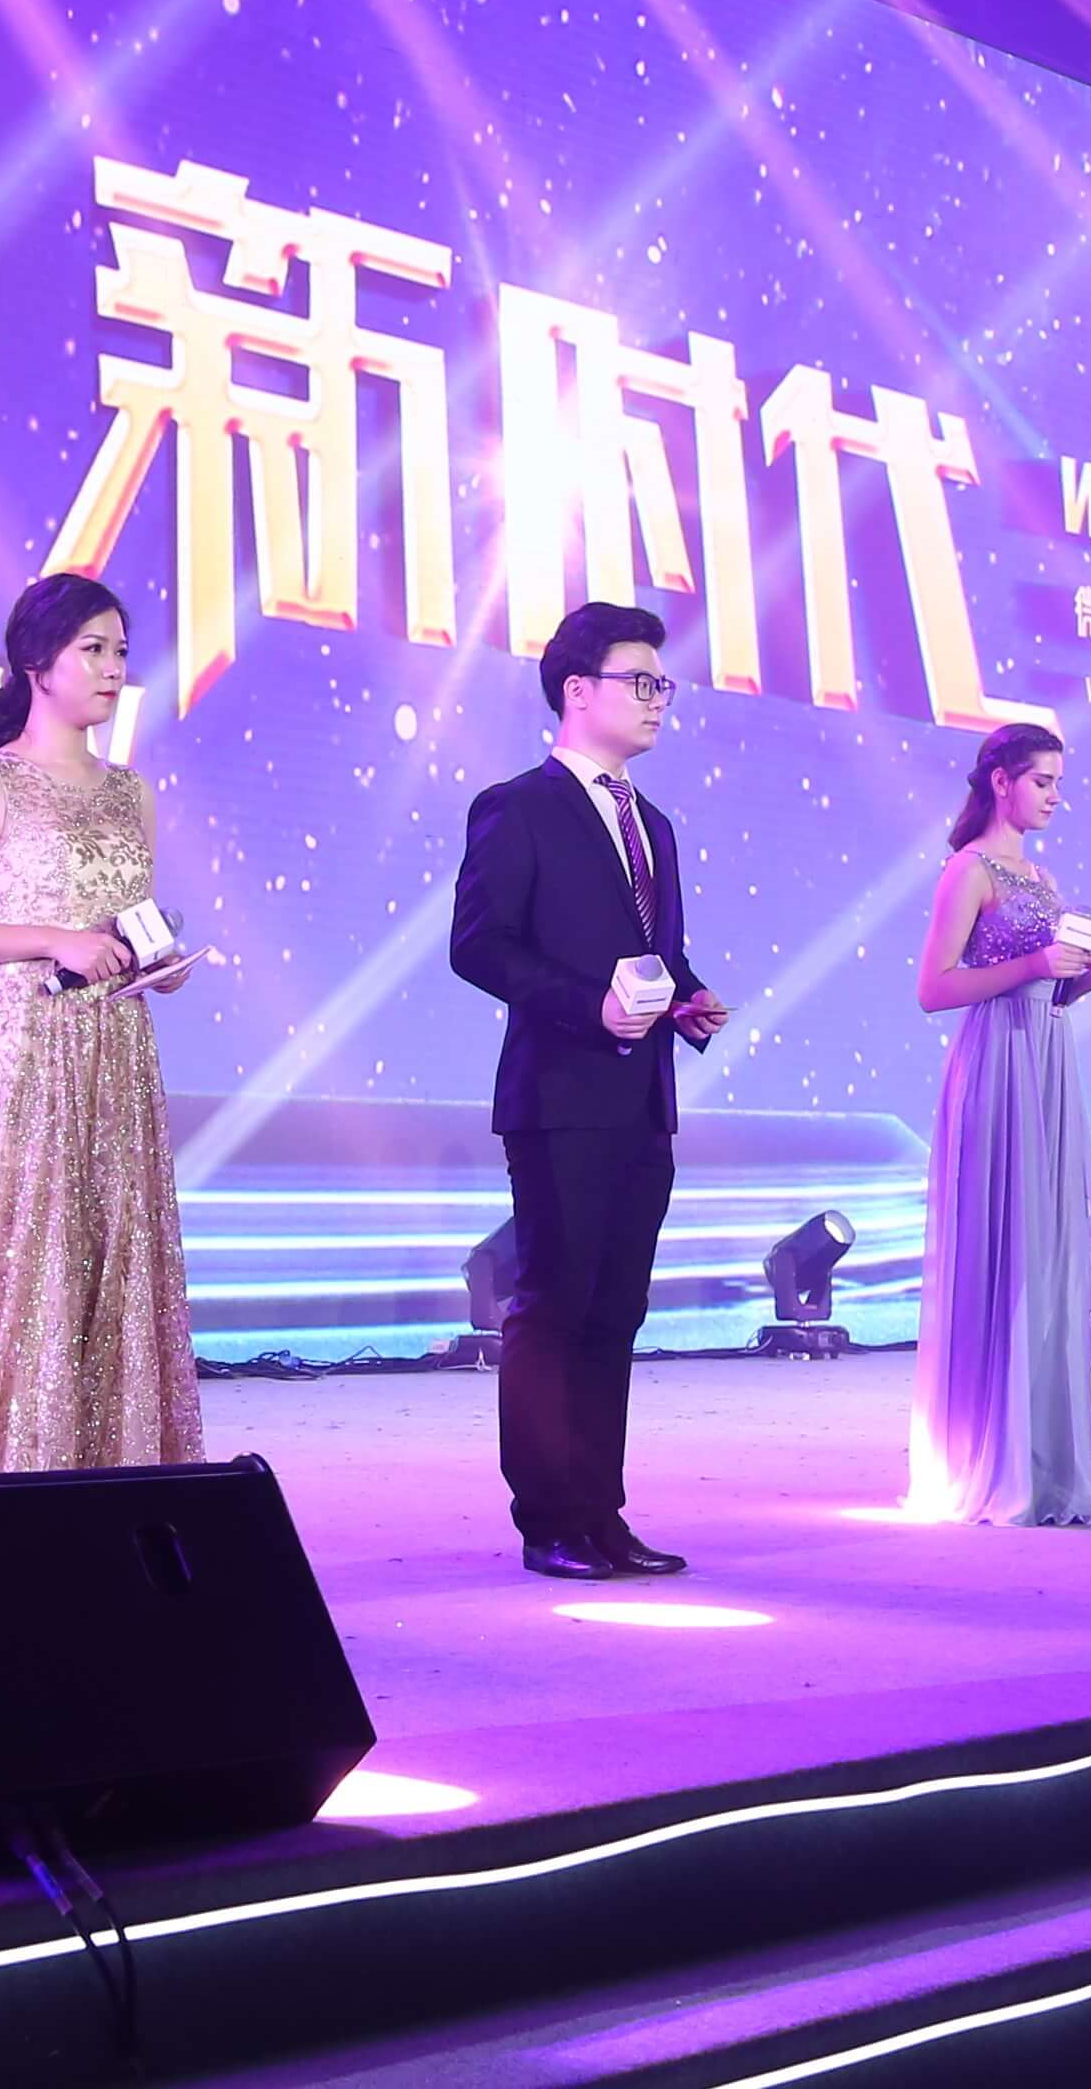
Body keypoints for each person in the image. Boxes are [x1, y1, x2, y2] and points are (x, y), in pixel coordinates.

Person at [0, 572, 203, 1476]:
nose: (112, 669)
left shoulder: (132, 792)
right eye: (91, 650)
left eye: (120, 652)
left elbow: (122, 923)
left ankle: (104, 1485)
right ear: (38, 663)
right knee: (21, 1269)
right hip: (22, 1055)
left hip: (117, 1057)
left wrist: (152, 963)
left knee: (109, 1266)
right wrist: (52, 940)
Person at [447, 600, 732, 1582]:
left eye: (662, 684)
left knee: (617, 1309)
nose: (657, 700)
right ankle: (549, 1520)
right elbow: (479, 946)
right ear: (577, 690)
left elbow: (653, 953)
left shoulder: (654, 823)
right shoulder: (517, 806)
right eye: (639, 681)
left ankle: (602, 1514)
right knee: (555, 1302)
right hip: (559, 1096)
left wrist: (686, 997)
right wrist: (587, 1008)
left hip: (642, 1100)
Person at [907, 724, 1091, 1525]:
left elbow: (1048, 986)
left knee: (1048, 1253)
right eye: (1042, 781)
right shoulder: (968, 868)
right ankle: (995, 1458)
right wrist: (1035, 966)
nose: (1053, 795)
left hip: (1046, 1060)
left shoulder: (1040, 876)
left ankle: (1047, 1458)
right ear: (1001, 781)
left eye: (1057, 782)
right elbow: (935, 988)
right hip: (998, 1064)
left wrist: (1090, 977)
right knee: (1005, 1247)